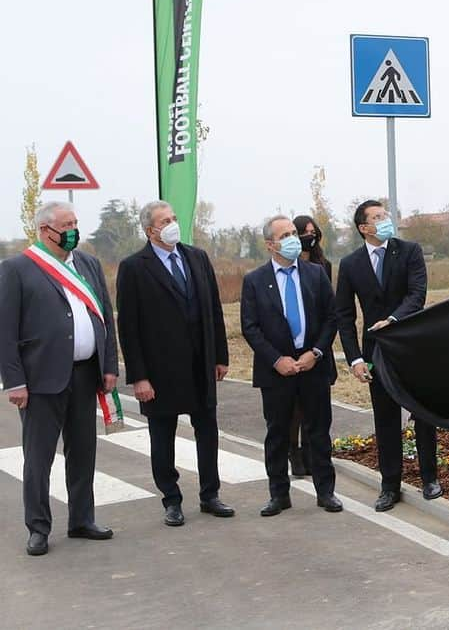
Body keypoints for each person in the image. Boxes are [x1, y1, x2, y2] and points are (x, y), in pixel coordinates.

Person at [0, 201, 118, 556]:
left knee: (83, 452)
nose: (72, 231)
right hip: (40, 381)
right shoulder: (18, 269)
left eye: (75, 223)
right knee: (39, 458)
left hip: (85, 374)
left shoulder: (88, 264)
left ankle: (82, 519)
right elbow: (5, 330)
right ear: (44, 230)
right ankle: (38, 527)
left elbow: (105, 319)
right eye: (66, 225)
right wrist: (14, 381)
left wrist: (109, 366)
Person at [115, 201, 233, 527]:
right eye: (165, 220)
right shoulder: (134, 268)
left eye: (174, 217)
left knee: (207, 431)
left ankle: (211, 494)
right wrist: (139, 377)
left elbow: (213, 311)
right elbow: (129, 327)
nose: (172, 224)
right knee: (162, 437)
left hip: (201, 365)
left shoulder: (197, 257)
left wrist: (220, 356)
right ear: (150, 230)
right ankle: (171, 498)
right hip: (160, 371)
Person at [336, 200, 441, 511]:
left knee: (422, 413)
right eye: (377, 217)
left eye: (386, 215)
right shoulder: (351, 264)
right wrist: (354, 358)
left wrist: (393, 320)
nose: (386, 220)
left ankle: (429, 477)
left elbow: (416, 294)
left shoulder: (409, 251)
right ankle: (389, 486)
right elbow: (343, 315)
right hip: (376, 354)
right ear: (364, 228)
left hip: (411, 347)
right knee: (385, 419)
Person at [241, 215, 342, 516]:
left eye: (293, 234)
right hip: (277, 371)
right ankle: (278, 495)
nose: (292, 240)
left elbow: (331, 317)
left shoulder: (316, 273)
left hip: (312, 365)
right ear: (270, 244)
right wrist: (276, 359)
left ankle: (326, 492)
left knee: (319, 432)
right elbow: (250, 327)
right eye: (284, 235)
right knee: (277, 434)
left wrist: (317, 352)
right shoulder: (255, 281)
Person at [286, 215, 333, 478]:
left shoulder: (322, 265)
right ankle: (293, 451)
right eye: (304, 232)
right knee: (295, 409)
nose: (309, 237)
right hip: (291, 350)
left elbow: (329, 307)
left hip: (316, 348)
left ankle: (311, 452)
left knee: (316, 409)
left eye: (313, 232)